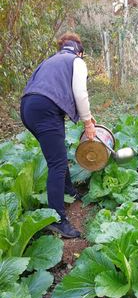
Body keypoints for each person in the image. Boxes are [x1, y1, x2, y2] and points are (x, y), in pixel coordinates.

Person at [20, 33, 96, 238]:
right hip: (45, 109)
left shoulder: (52, 60)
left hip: (28, 107)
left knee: (57, 157)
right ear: (80, 51)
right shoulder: (76, 61)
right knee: (57, 163)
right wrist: (88, 123)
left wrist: (87, 118)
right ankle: (57, 220)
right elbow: (80, 93)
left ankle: (69, 191)